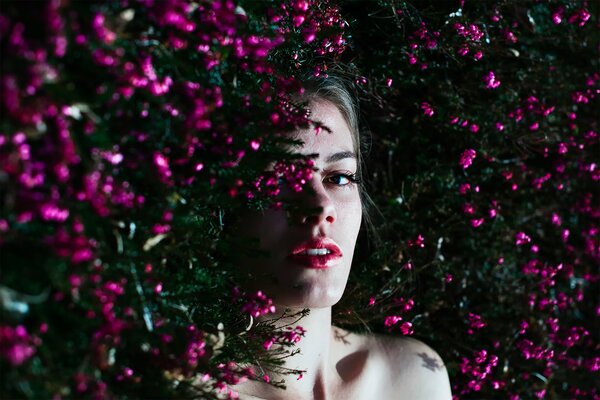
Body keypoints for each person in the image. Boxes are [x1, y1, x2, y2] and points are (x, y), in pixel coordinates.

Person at [230, 77, 452, 400]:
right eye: (280, 179)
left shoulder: (412, 378)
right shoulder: (183, 389)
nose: (320, 206)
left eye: (339, 178)